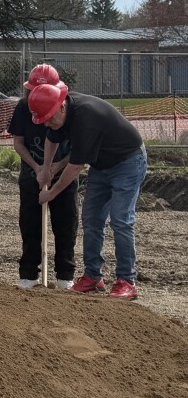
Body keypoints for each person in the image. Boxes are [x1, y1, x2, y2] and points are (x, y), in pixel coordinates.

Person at [30, 82, 147, 299]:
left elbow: (75, 167)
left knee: (120, 220)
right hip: (102, 165)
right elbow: (51, 139)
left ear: (61, 107)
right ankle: (93, 276)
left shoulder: (86, 119)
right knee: (92, 219)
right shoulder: (59, 115)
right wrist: (46, 168)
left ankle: (127, 281)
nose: (47, 124)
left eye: (49, 118)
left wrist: (52, 192)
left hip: (128, 161)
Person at [8, 64, 77, 290]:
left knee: (65, 226)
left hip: (64, 174)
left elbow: (79, 150)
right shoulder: (22, 108)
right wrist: (38, 168)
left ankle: (65, 275)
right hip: (31, 175)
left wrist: (56, 166)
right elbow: (18, 143)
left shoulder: (68, 108)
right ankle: (29, 274)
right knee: (30, 226)